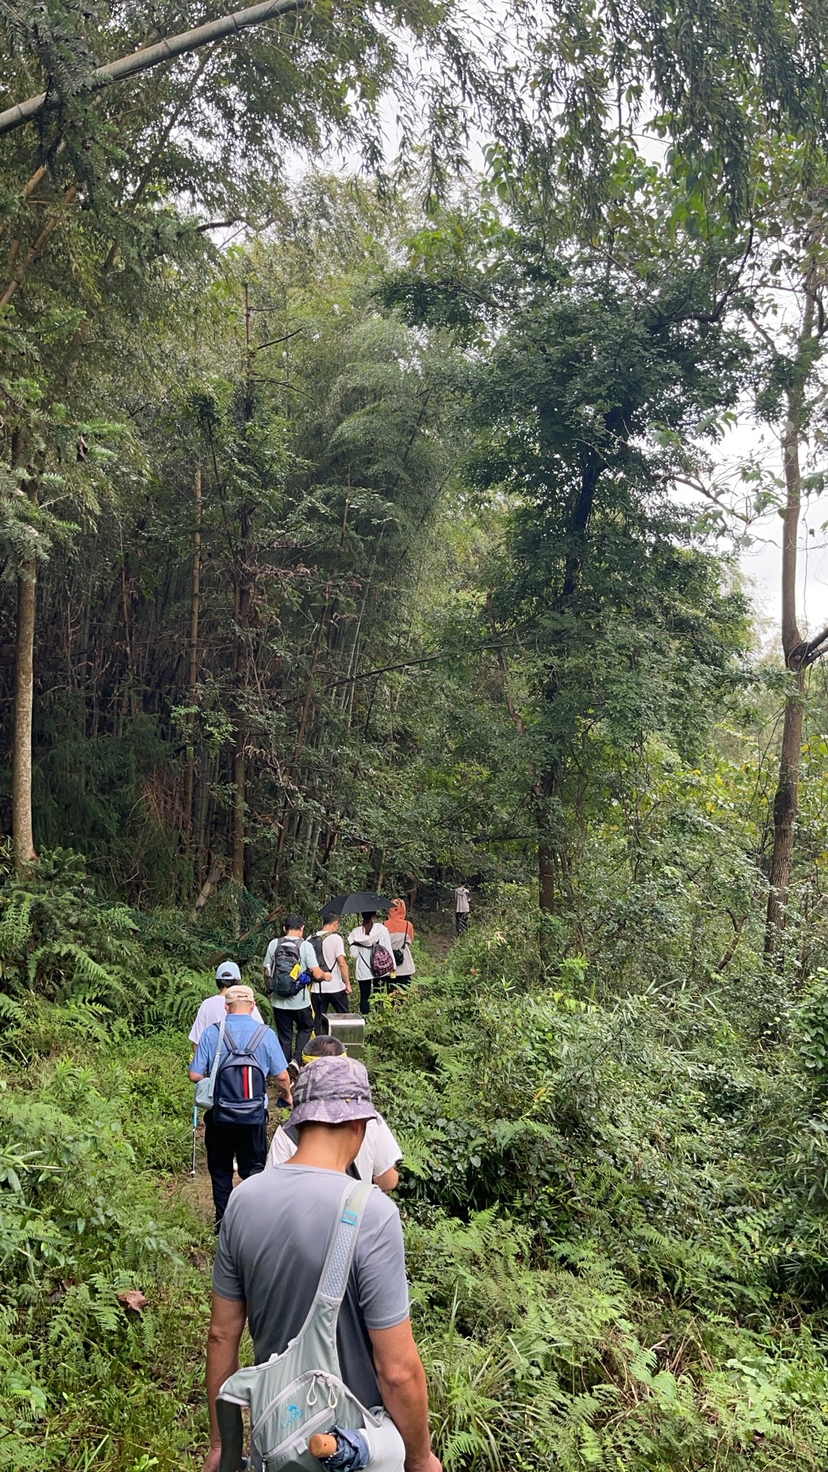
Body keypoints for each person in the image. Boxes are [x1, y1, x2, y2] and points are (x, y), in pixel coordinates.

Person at [203, 1058, 441, 1472]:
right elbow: (397, 1371)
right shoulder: (372, 1214)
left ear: (300, 1123)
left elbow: (221, 1335)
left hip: (278, 1440)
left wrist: (222, 1446)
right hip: (355, 1445)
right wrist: (420, 1459)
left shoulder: (243, 1201)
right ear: (358, 1125)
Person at [189, 984, 292, 1227]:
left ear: (226, 1007)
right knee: (254, 1171)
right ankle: (252, 1225)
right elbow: (281, 1076)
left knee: (221, 1171)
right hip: (254, 1117)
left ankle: (223, 1224)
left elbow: (195, 1075)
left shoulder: (212, 1033)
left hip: (220, 1115)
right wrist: (287, 1095)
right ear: (253, 1006)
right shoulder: (266, 1034)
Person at [266, 1035, 402, 1190]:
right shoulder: (369, 1119)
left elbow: (273, 1189)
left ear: (304, 1072)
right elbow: (389, 1180)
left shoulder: (288, 1130)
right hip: (355, 1204)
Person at [263, 914, 330, 1076]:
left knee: (285, 1036)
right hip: (300, 1002)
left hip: (279, 1002)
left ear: (284, 928)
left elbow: (266, 971)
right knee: (306, 1027)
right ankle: (296, 1060)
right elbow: (316, 972)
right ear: (302, 928)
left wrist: (270, 990)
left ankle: (283, 1070)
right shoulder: (305, 946)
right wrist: (325, 976)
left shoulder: (274, 944)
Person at [188, 961, 263, 1047]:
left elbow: (196, 1042)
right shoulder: (246, 1003)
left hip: (213, 1054)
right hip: (243, 1054)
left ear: (218, 982)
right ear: (238, 981)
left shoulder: (207, 1004)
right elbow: (261, 1035)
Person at [308, 908, 352, 1025]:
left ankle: (320, 1037)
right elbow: (341, 963)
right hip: (335, 986)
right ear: (335, 924)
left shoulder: (310, 938)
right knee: (344, 1017)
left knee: (318, 1021)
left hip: (316, 988)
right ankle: (343, 1036)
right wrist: (347, 984)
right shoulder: (336, 938)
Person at [348, 910, 396, 1015]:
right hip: (380, 968)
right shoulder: (381, 929)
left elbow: (353, 954)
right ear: (374, 916)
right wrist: (393, 966)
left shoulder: (355, 932)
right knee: (379, 995)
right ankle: (378, 1017)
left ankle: (365, 1018)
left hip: (363, 970)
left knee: (364, 997)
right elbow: (387, 949)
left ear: (362, 916)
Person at [387, 898, 416, 991]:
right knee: (404, 993)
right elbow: (410, 941)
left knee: (390, 993)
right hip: (405, 965)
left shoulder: (385, 924)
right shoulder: (408, 925)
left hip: (390, 966)